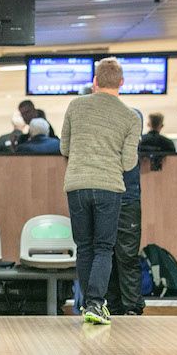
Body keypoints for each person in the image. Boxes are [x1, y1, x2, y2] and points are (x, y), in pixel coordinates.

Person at [61, 57, 140, 325]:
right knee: (104, 248)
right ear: (121, 83)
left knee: (84, 247)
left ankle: (87, 306)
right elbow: (129, 162)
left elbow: (64, 148)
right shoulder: (130, 117)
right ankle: (96, 304)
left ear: (95, 81)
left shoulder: (75, 106)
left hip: (77, 185)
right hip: (109, 187)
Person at [106, 107, 145, 316]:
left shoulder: (131, 146)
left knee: (126, 256)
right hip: (115, 198)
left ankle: (131, 306)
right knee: (110, 255)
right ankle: (115, 306)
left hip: (126, 200)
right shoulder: (112, 145)